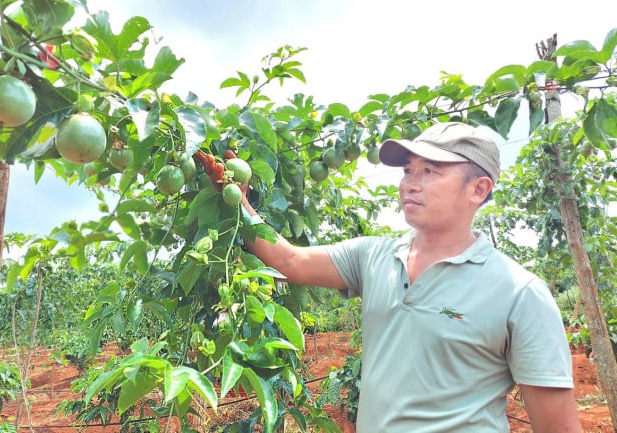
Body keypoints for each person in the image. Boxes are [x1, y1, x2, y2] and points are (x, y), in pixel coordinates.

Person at [239, 122, 582, 432]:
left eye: (430, 171)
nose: (409, 185)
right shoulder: (372, 256)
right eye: (408, 170)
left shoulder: (519, 292)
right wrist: (236, 199)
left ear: (478, 189)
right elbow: (289, 260)